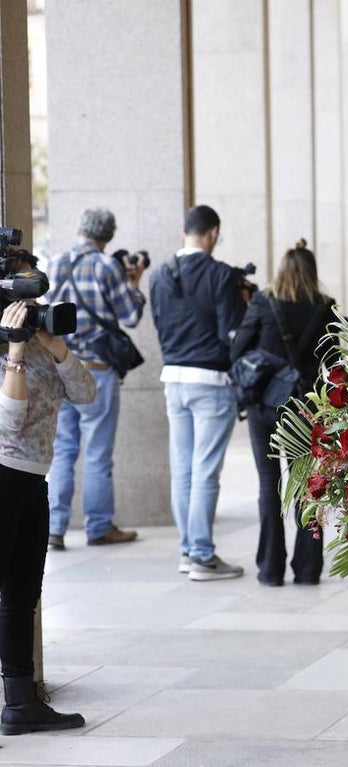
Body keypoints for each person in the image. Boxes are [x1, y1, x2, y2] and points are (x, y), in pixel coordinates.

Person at [0, 255, 94, 734]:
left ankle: (20, 704)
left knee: (22, 595)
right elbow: (11, 422)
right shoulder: (5, 343)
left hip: (33, 477)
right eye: (24, 298)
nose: (32, 306)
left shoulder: (39, 340)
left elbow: (86, 394)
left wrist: (56, 348)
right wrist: (15, 349)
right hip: (3, 474)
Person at [230, 239, 336, 587]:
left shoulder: (263, 301)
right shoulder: (326, 308)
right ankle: (307, 570)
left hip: (264, 406)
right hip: (305, 407)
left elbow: (237, 349)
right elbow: (334, 365)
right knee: (307, 487)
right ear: (312, 272)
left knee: (268, 485)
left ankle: (270, 570)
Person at [150, 205, 246, 582]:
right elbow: (231, 334)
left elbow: (159, 326)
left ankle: (189, 551)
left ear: (184, 231)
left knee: (183, 471)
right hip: (210, 381)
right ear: (213, 232)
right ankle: (202, 556)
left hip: (173, 379)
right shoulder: (221, 275)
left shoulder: (159, 275)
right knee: (205, 472)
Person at [42, 208, 146, 550]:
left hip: (61, 368)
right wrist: (134, 283)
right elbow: (130, 316)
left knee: (62, 450)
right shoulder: (106, 266)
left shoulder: (55, 263)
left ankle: (55, 528)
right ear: (108, 236)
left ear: (80, 228)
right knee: (98, 453)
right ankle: (99, 526)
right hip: (97, 372)